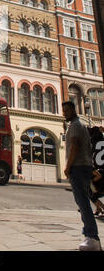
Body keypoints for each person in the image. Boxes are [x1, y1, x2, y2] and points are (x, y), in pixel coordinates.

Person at [63, 101, 102, 251]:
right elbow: (86, 148)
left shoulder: (75, 126)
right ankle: (90, 236)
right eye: (64, 111)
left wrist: (67, 167)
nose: (64, 113)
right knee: (83, 201)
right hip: (83, 167)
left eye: (66, 110)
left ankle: (92, 237)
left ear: (73, 110)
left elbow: (75, 147)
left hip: (78, 168)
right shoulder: (80, 126)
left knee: (83, 203)